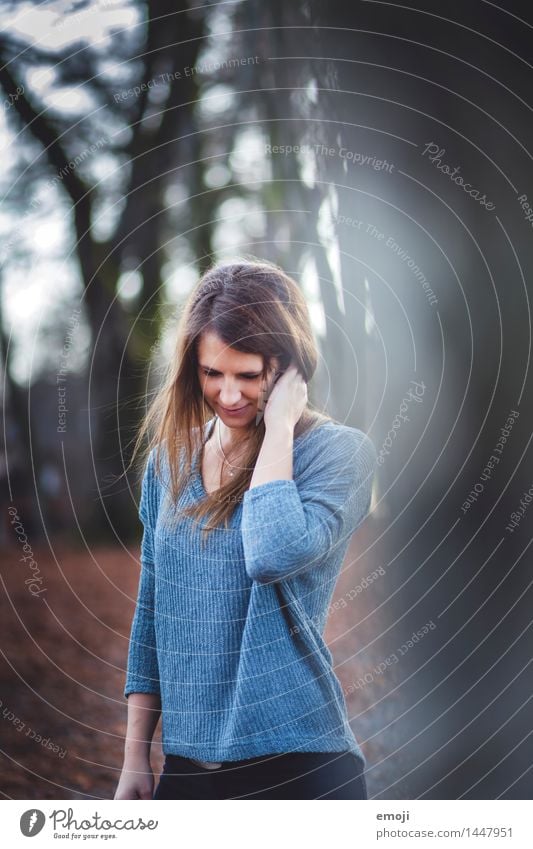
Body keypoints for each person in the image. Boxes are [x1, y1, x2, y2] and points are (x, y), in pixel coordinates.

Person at [114, 258, 377, 800]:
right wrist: (134, 755)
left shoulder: (337, 455)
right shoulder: (168, 463)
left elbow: (271, 552)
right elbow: (152, 613)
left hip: (299, 763)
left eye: (249, 375)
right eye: (213, 373)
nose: (229, 395)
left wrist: (279, 427)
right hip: (185, 767)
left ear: (286, 367)